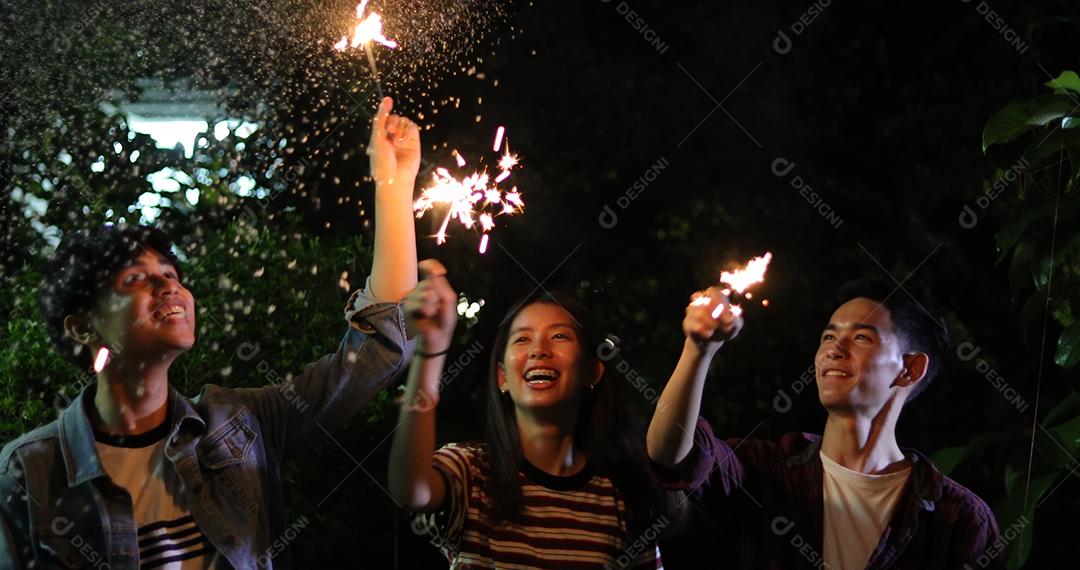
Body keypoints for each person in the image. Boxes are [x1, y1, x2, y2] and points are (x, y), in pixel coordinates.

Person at [0, 96, 420, 569]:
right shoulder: (29, 470)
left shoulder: (242, 424)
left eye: (172, 274)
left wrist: (394, 185)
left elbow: (379, 347)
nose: (167, 285)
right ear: (82, 326)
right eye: (135, 279)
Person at [647, 278, 1002, 569]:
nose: (833, 350)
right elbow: (670, 455)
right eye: (829, 337)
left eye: (861, 337)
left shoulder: (957, 518)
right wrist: (698, 350)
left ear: (910, 369)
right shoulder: (765, 471)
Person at [390, 265, 673, 568]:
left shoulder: (621, 499)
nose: (539, 350)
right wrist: (431, 349)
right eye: (522, 339)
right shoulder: (470, 471)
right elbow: (411, 489)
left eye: (560, 336)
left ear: (592, 371)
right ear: (502, 379)